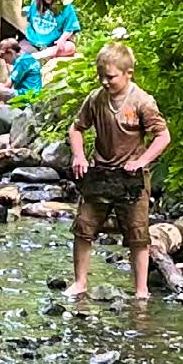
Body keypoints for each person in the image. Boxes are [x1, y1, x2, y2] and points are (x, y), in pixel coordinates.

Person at [66, 42, 171, 304]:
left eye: (110, 77)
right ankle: (80, 282)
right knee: (83, 227)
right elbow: (76, 128)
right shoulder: (95, 99)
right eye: (100, 76)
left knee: (138, 234)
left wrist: (142, 161)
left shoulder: (142, 101)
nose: (104, 81)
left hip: (131, 178)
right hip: (100, 174)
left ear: (128, 73)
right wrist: (79, 155)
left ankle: (141, 289)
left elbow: (163, 136)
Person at [0, 32, 47, 135]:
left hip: (26, 97)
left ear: (11, 52)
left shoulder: (22, 61)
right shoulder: (28, 58)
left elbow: (8, 85)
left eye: (5, 58)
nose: (6, 62)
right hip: (27, 94)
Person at [20, 0, 82, 78]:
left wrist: (62, 40)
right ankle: (35, 57)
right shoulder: (35, 4)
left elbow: (70, 28)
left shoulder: (66, 6)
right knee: (17, 52)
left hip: (54, 44)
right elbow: (26, 18)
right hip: (33, 42)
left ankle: (40, 56)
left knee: (70, 47)